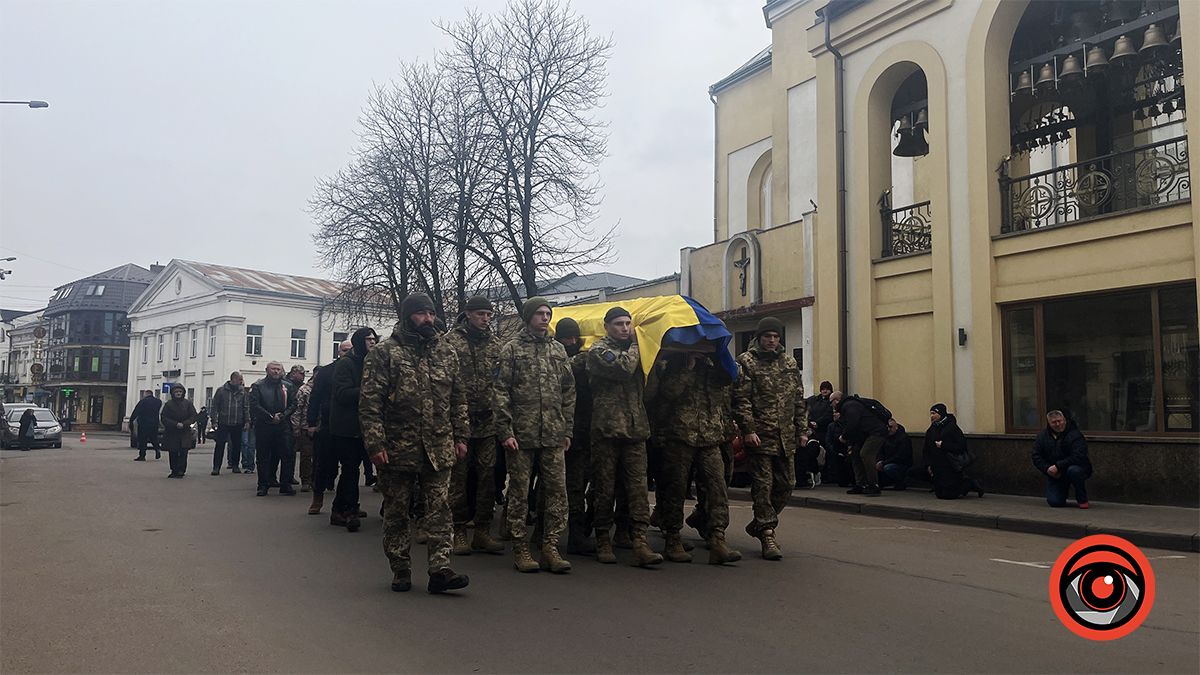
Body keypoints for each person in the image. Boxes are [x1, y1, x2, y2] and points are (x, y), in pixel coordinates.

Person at [360, 292, 471, 594]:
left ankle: (440, 570)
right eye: (422, 314)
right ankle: (401, 569)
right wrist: (375, 444)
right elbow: (370, 403)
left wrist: (461, 436)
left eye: (432, 314)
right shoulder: (385, 353)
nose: (429, 319)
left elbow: (458, 399)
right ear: (408, 316)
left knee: (440, 510)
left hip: (438, 446)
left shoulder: (446, 352)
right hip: (398, 447)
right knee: (397, 512)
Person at [495, 297, 576, 573]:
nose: (545, 317)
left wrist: (567, 429)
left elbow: (568, 391)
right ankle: (521, 548)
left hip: (553, 433)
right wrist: (505, 430)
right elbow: (501, 392)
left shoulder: (557, 350)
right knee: (519, 493)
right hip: (522, 435)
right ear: (528, 316)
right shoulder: (512, 350)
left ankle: (549, 545)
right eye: (540, 313)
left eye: (548, 313)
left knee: (556, 492)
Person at [586, 306, 663, 568]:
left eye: (628, 324)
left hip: (635, 430)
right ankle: (603, 539)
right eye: (619, 324)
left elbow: (649, 392)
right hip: (607, 431)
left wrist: (652, 366)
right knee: (604, 488)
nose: (625, 328)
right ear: (607, 326)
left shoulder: (636, 353)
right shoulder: (598, 351)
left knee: (637, 489)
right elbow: (623, 369)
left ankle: (638, 539)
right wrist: (638, 346)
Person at [650, 351, 742, 565]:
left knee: (718, 489)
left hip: (710, 437)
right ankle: (672, 538)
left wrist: (719, 356)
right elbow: (668, 393)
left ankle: (718, 538)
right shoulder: (673, 363)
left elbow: (728, 379)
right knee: (676, 489)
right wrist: (687, 367)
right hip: (680, 436)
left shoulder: (714, 366)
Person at [732, 317, 807, 560]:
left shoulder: (789, 362)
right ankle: (767, 535)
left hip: (785, 436)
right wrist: (748, 429)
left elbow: (798, 398)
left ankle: (760, 523)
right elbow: (741, 399)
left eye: (776, 337)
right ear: (759, 337)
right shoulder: (747, 361)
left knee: (787, 485)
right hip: (760, 436)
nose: (772, 341)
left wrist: (802, 429)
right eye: (767, 337)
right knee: (763, 487)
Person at [442, 296, 504, 555]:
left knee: (487, 477)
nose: (486, 319)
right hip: (459, 423)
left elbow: (502, 382)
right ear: (467, 314)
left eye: (489, 315)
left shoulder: (496, 345)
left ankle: (482, 531)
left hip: (488, 422)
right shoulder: (449, 343)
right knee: (458, 478)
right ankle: (458, 531)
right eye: (480, 314)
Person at [555, 317, 596, 555]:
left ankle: (580, 530)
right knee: (570, 486)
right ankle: (573, 535)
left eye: (573, 338)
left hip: (586, 430)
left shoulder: (587, 359)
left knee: (583, 484)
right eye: (565, 338)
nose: (570, 341)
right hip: (563, 431)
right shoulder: (560, 359)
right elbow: (565, 370)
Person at [330, 328, 378, 530]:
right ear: (359, 341)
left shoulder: (370, 362)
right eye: (369, 339)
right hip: (346, 427)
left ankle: (342, 507)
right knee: (350, 470)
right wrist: (370, 390)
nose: (373, 343)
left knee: (353, 470)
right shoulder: (345, 364)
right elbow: (343, 394)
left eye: (375, 339)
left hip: (364, 426)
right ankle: (346, 511)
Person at [306, 340, 349, 515]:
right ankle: (317, 498)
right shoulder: (327, 371)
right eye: (345, 350)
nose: (347, 353)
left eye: (351, 350)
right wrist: (310, 423)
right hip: (328, 424)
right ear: (339, 352)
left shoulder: (361, 368)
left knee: (349, 467)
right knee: (323, 464)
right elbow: (315, 398)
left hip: (351, 425)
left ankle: (347, 503)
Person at [250, 362, 297, 496]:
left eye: (278, 369)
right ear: (267, 370)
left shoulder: (287, 386)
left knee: (287, 454)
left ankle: (285, 484)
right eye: (273, 369)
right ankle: (263, 485)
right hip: (264, 425)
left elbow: (294, 404)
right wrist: (270, 416)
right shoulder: (258, 386)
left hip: (283, 425)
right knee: (263, 456)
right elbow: (254, 405)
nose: (276, 372)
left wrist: (283, 415)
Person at [831, 391, 887, 496]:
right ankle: (861, 484)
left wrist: (844, 437)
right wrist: (851, 444)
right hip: (865, 434)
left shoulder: (849, 406)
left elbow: (853, 425)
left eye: (831, 402)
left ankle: (873, 485)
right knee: (855, 454)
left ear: (836, 401)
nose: (831, 406)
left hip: (876, 432)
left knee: (866, 454)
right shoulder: (848, 406)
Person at [1033, 410, 1092, 509]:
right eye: (1054, 422)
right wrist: (1047, 469)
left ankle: (1082, 499)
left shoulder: (1075, 434)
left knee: (1074, 471)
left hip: (1076, 468)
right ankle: (1062, 491)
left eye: (1059, 421)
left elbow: (1079, 455)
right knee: (1055, 502)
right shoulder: (1042, 437)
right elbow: (1036, 456)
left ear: (1064, 420)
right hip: (1055, 473)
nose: (1057, 424)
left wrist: (1058, 466)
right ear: (1049, 423)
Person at [922, 403, 983, 499]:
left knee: (949, 494)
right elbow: (926, 448)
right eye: (931, 413)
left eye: (934, 413)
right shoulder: (932, 429)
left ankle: (971, 484)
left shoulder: (952, 428)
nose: (932, 416)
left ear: (941, 414)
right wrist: (928, 464)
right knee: (940, 494)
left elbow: (961, 446)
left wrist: (944, 445)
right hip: (937, 465)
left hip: (950, 464)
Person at [210, 372, 249, 474]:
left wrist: (247, 421)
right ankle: (216, 467)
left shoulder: (243, 392)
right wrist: (214, 421)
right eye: (240, 379)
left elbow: (246, 407)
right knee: (220, 445)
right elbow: (214, 407)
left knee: (237, 445)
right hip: (223, 422)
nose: (241, 382)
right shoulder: (221, 391)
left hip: (238, 422)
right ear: (233, 379)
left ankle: (235, 465)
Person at [160, 384, 197, 478]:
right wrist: (175, 424)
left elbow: (193, 416)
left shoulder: (188, 403)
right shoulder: (169, 404)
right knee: (173, 452)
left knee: (184, 452)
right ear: (173, 393)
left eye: (180, 392)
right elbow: (164, 417)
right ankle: (174, 470)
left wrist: (184, 424)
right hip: (172, 432)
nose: (178, 394)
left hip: (185, 432)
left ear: (183, 393)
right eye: (176, 392)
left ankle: (181, 470)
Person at [806, 380, 838, 487]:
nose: (825, 391)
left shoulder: (830, 403)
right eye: (823, 388)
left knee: (828, 452)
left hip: (825, 430)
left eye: (827, 389)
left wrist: (818, 423)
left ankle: (828, 475)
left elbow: (829, 416)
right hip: (812, 429)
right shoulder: (814, 400)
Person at [290, 369, 315, 492]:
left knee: (319, 456)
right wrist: (296, 427)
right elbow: (297, 410)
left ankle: (315, 479)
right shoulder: (304, 390)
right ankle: (305, 480)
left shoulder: (324, 388)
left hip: (320, 427)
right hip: (305, 426)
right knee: (306, 455)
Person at [876, 418, 913, 490]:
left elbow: (900, 456)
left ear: (896, 427)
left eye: (890, 427)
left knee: (888, 468)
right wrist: (879, 460)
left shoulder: (903, 438)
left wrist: (883, 463)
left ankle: (900, 481)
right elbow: (880, 451)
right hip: (888, 462)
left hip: (901, 464)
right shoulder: (885, 437)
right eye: (887, 427)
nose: (888, 429)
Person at [129, 389, 163, 461]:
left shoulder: (142, 402)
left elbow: (136, 412)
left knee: (143, 440)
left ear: (146, 394)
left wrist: (131, 421)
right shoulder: (158, 402)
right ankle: (157, 449)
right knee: (154, 438)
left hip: (143, 423)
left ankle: (142, 456)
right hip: (154, 423)